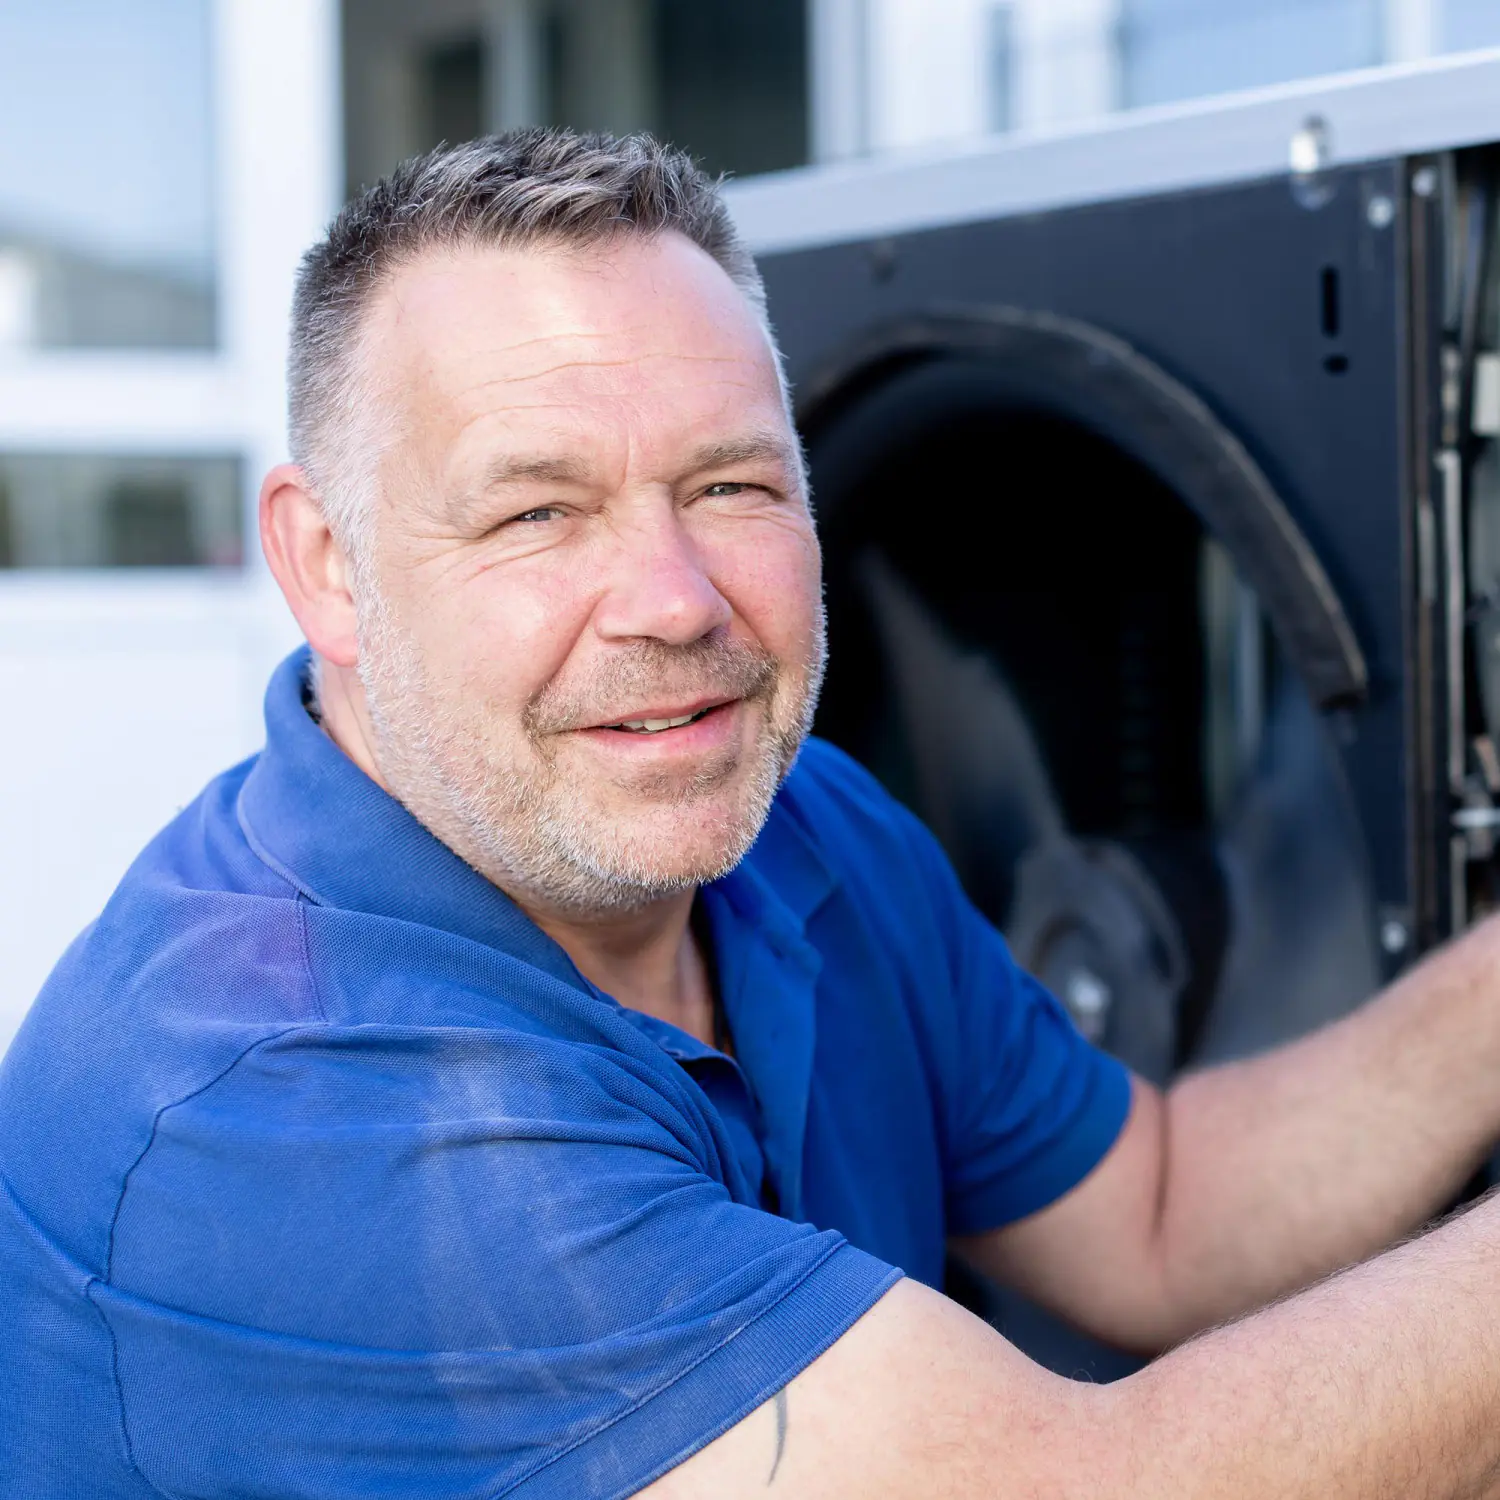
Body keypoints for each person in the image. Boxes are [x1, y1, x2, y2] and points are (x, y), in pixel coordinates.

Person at [4, 129, 1500, 1500]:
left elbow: (1164, 1208)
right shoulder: (290, 1103)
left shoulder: (795, 829)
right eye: (539, 511)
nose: (674, 600)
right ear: (325, 563)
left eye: (730, 485)